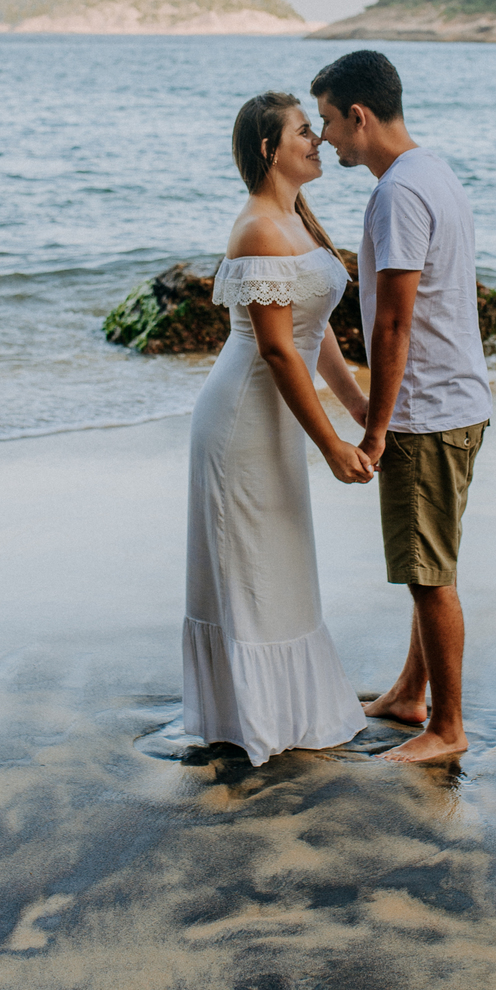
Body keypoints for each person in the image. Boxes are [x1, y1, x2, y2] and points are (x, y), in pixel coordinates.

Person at [311, 50, 491, 765]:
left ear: (359, 115)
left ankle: (446, 729)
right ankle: (409, 696)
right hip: (459, 398)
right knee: (433, 560)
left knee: (428, 575)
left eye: (327, 121)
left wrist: (376, 425)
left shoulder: (396, 194)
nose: (324, 137)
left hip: (428, 410)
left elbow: (394, 321)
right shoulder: (432, 171)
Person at [183, 90, 373, 766]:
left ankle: (289, 711)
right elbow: (276, 349)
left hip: (279, 413)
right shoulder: (259, 228)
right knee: (253, 566)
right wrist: (331, 446)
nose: (318, 141)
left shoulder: (301, 222)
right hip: (243, 420)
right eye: (303, 132)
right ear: (270, 149)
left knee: (284, 561)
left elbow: (312, 332)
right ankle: (251, 718)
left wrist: (356, 405)